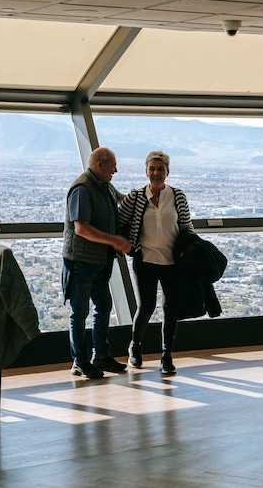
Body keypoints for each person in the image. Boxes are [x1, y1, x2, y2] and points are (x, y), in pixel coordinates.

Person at [118, 151, 194, 375]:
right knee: (146, 306)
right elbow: (121, 223)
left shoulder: (177, 196)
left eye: (160, 169)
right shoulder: (136, 196)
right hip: (145, 260)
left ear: (168, 172)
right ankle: (135, 346)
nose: (156, 173)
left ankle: (166, 355)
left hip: (172, 262)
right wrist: (131, 249)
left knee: (171, 308)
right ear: (146, 171)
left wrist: (187, 251)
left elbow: (187, 227)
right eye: (152, 169)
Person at [62, 147, 134, 379]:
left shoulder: (104, 185)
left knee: (103, 307)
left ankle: (101, 355)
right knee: (79, 312)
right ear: (100, 165)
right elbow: (81, 228)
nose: (116, 170)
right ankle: (80, 361)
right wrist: (114, 239)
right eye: (112, 165)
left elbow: (122, 198)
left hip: (100, 261)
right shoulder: (82, 189)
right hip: (81, 261)